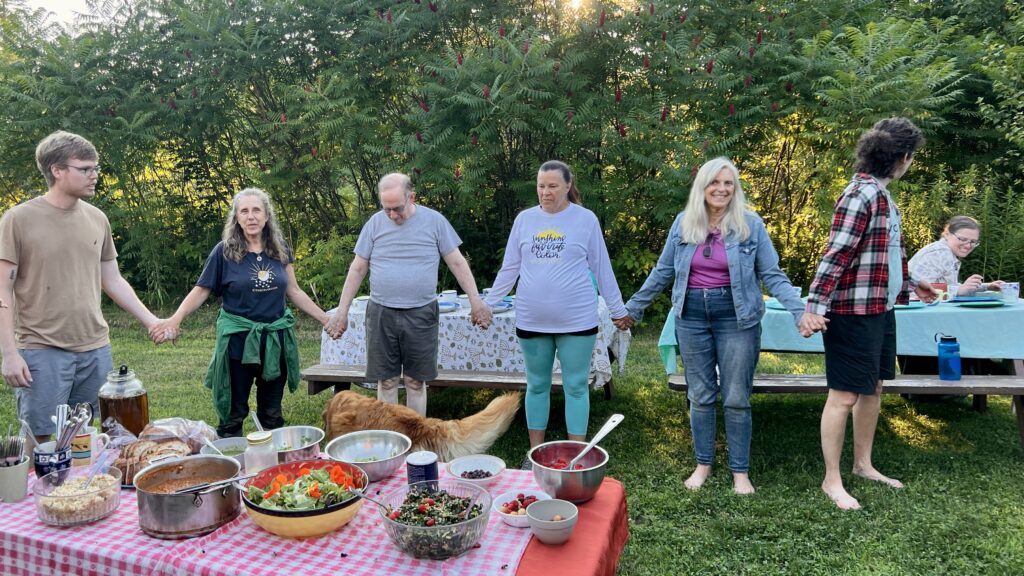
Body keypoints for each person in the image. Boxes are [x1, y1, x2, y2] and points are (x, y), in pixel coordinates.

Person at [623, 157, 814, 494]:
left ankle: (740, 472)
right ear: (703, 186)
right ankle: (703, 464)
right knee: (700, 395)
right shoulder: (684, 223)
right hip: (691, 316)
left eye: (729, 183)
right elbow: (663, 271)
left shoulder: (750, 225)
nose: (722, 189)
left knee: (737, 396)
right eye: (715, 182)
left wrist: (800, 312)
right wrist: (633, 308)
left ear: (735, 189)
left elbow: (772, 274)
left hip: (737, 317)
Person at [799, 117, 936, 510]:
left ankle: (863, 465)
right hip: (851, 312)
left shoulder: (883, 196)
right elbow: (836, 254)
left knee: (873, 388)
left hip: (880, 308)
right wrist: (814, 307)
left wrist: (911, 284)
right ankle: (832, 480)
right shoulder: (861, 195)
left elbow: (886, 256)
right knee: (843, 396)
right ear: (903, 157)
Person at [0, 130, 163, 444]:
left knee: (89, 436)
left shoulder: (97, 218)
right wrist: (9, 354)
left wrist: (151, 320)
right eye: (85, 169)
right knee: (43, 440)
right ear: (57, 171)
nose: (94, 175)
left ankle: (81, 493)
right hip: (41, 349)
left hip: (94, 349)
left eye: (95, 168)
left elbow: (112, 279)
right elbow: (2, 291)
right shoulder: (17, 220)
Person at [483, 160, 631, 466]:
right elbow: (509, 268)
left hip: (577, 319)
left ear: (567, 186)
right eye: (540, 186)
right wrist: (488, 304)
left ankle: (576, 455)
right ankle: (534, 453)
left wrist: (618, 310)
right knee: (537, 384)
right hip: (532, 319)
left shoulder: (585, 220)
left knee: (576, 385)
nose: (545, 192)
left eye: (552, 186)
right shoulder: (524, 220)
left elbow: (602, 269)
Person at [153, 188, 329, 437]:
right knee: (233, 414)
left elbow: (294, 290)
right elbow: (202, 290)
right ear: (236, 218)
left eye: (256, 210)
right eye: (244, 211)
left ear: (267, 215)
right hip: (238, 341)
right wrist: (175, 318)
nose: (251, 216)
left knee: (272, 412)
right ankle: (232, 463)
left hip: (274, 341)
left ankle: (271, 467)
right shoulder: (224, 252)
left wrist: (325, 319)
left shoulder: (279, 249)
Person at [324, 173, 492, 417]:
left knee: (415, 381)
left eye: (397, 208)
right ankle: (392, 442)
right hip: (381, 312)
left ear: (411, 197)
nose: (392, 215)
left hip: (421, 312)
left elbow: (456, 262)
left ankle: (417, 445)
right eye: (386, 209)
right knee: (387, 381)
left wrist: (476, 301)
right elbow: (358, 268)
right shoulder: (374, 224)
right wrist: (342, 311)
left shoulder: (435, 222)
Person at [908, 215, 1004, 296]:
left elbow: (948, 286)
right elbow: (918, 291)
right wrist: (958, 291)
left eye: (973, 242)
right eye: (962, 239)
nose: (967, 245)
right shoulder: (940, 253)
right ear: (946, 234)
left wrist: (986, 287)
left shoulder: (947, 251)